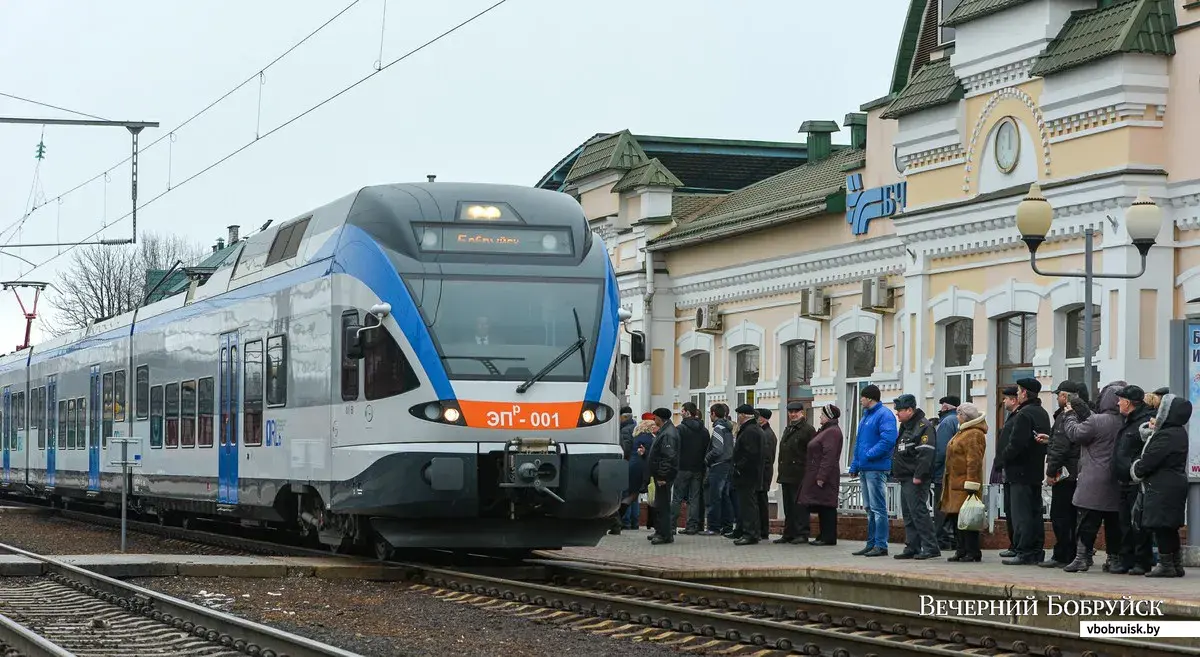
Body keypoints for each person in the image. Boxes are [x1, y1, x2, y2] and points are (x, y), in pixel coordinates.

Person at [1060, 381, 1125, 573]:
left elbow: (1075, 433)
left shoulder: (1097, 420)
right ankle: (1114, 560)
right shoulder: (1125, 421)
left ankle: (1082, 558)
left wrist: (1069, 416)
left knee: (1087, 523)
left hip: (1094, 481)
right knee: (1114, 524)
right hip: (1117, 481)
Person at [1131, 393, 1191, 578]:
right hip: (1173, 484)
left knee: (1161, 526)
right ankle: (1175, 564)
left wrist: (1136, 468)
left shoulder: (1166, 436)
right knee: (1169, 527)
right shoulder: (1178, 432)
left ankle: (1166, 565)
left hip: (1162, 486)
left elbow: (1149, 460)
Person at [1001, 378, 1051, 566]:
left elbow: (1016, 444)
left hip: (1019, 471)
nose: (1018, 394)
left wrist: (1004, 457)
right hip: (1035, 470)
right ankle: (1036, 550)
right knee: (1034, 512)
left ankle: (1024, 551)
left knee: (1021, 513)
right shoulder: (1042, 413)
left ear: (1024, 393)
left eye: (1020, 391)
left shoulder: (1024, 414)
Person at [849, 384, 897, 557]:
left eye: (862, 396)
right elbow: (859, 444)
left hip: (876, 468)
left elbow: (888, 439)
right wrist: (855, 465)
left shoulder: (884, 415)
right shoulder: (866, 417)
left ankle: (881, 545)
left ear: (869, 398)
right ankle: (871, 544)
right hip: (865, 468)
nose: (860, 399)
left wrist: (869, 455)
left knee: (878, 508)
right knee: (869, 508)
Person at [1112, 385, 1155, 574]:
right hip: (1124, 482)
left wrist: (1133, 468)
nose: (1117, 403)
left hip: (1137, 483)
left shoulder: (1143, 423)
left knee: (1138, 524)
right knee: (1124, 523)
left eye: (1120, 399)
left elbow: (1147, 452)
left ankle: (1141, 561)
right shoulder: (1128, 420)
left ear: (1128, 403)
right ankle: (1126, 559)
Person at [1040, 381, 1082, 568]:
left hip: (1065, 475)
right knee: (1072, 516)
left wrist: (1050, 472)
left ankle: (1062, 554)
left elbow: (1061, 447)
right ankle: (1072, 552)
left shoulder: (1066, 416)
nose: (1057, 398)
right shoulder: (1082, 414)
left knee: (1060, 516)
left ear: (1065, 397)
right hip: (1076, 473)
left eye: (1058, 395)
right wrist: (1050, 440)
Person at [891, 394, 939, 560]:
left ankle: (930, 547)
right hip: (905, 477)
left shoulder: (922, 426)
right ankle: (912, 546)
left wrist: (919, 475)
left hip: (915, 478)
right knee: (909, 514)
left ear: (910, 410)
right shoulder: (906, 426)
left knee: (919, 512)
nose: (896, 413)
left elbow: (926, 453)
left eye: (899, 410)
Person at [941, 402, 986, 562]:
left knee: (968, 519)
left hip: (965, 484)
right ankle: (961, 550)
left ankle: (972, 551)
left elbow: (974, 460)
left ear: (964, 417)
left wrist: (972, 484)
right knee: (956, 519)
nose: (957, 417)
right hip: (955, 483)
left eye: (959, 414)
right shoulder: (963, 431)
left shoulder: (974, 434)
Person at [800, 404, 843, 545]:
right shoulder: (827, 430)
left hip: (826, 476)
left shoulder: (832, 432)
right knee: (822, 505)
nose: (820, 417)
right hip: (821, 474)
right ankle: (823, 535)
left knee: (827, 505)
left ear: (829, 416)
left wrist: (821, 476)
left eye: (822, 415)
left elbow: (828, 456)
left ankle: (828, 537)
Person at [776, 401, 815, 544]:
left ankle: (802, 533)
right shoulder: (789, 428)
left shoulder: (808, 430)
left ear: (802, 413)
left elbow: (812, 453)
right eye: (790, 412)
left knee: (799, 506)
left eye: (795, 412)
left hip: (800, 473)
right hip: (787, 473)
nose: (792, 415)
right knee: (788, 506)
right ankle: (789, 533)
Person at [672, 402, 708, 535]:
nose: (680, 413)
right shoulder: (704, 430)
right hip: (698, 468)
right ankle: (692, 526)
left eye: (682, 411)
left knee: (677, 498)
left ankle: (671, 526)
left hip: (682, 468)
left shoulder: (680, 429)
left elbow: (675, 448)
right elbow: (706, 449)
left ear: (687, 412)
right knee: (694, 498)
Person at [730, 404, 765, 545]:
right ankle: (750, 532)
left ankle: (750, 534)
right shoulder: (752, 429)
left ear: (743, 416)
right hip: (749, 474)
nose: (737, 417)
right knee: (749, 504)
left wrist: (738, 467)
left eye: (738, 414)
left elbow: (750, 454)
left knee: (748, 505)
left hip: (747, 475)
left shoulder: (750, 431)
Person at [647, 408, 680, 545]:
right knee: (659, 503)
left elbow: (668, 457)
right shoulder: (665, 431)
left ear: (660, 418)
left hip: (664, 475)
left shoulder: (668, 434)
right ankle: (660, 530)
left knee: (662, 504)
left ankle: (664, 534)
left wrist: (662, 475)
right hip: (661, 474)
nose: (654, 421)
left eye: (655, 418)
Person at [702, 403, 736, 536]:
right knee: (725, 497)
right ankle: (727, 526)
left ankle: (713, 527)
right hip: (727, 464)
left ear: (714, 413)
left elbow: (717, 449)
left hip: (718, 466)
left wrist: (707, 459)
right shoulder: (728, 427)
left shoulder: (718, 429)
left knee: (714, 497)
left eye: (710, 413)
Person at [993, 386, 1019, 557]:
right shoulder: (1012, 417)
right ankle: (1013, 544)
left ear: (1014, 400)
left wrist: (1002, 459)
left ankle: (1017, 545)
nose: (1004, 401)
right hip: (1006, 468)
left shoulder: (1019, 416)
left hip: (1014, 469)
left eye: (1006, 398)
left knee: (1015, 511)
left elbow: (1014, 443)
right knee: (1009, 510)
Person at [932, 396, 960, 551]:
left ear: (945, 407)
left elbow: (941, 451)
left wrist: (932, 469)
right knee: (954, 506)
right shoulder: (960, 420)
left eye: (942, 405)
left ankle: (942, 539)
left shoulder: (946, 422)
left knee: (941, 507)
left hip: (943, 473)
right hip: (957, 473)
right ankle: (955, 539)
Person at [756, 408, 778, 541]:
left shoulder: (767, 435)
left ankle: (763, 531)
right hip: (762, 473)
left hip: (763, 473)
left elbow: (766, 458)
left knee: (762, 502)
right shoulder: (763, 433)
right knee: (760, 501)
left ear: (762, 419)